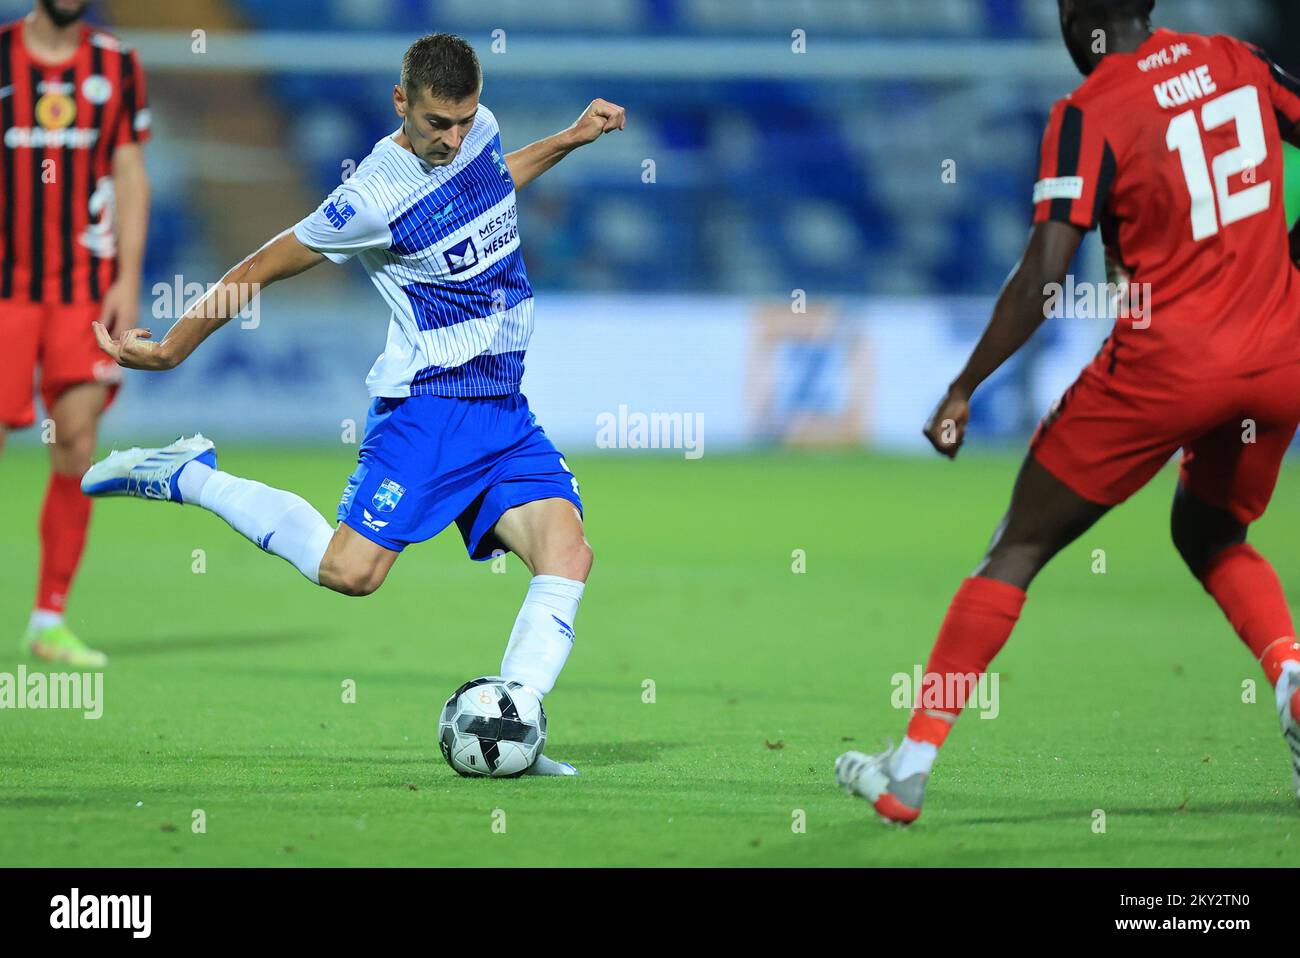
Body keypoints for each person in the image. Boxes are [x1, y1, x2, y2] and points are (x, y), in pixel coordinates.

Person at [83, 33, 624, 775]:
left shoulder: (480, 131)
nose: (455, 137)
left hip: (502, 408)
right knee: (351, 572)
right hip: (428, 411)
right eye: (439, 123)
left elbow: (495, 178)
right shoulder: (372, 196)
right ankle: (190, 475)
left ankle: (513, 730)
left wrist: (568, 139)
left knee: (568, 555)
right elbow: (261, 265)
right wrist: (175, 346)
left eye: (465, 119)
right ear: (401, 103)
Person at [838, 0, 1300, 823]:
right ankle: (1292, 674)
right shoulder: (1239, 61)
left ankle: (909, 765)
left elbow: (1046, 274)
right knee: (1209, 530)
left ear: (1081, 14)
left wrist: (964, 385)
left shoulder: (1090, 113)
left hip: (1167, 368)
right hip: (1280, 360)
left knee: (1014, 547)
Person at [0, 0, 150, 667]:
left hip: (82, 289)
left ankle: (48, 618)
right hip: (5, 291)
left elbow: (128, 173)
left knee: (77, 442)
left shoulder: (114, 63)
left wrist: (127, 277)